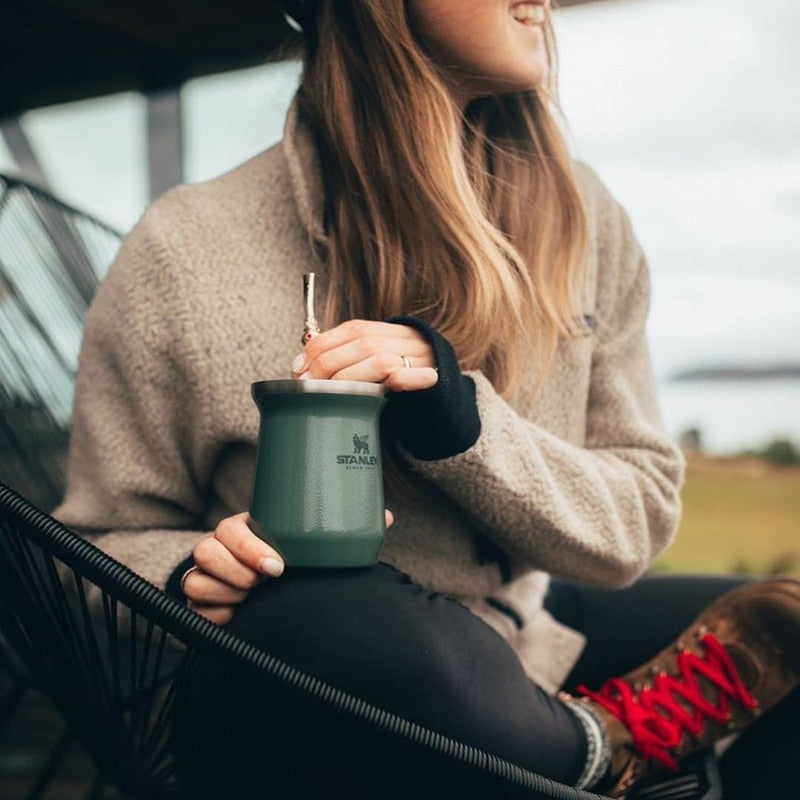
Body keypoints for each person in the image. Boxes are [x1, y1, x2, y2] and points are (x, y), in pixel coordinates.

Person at [54, 1, 800, 797]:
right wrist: (188, 573)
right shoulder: (186, 248)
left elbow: (637, 525)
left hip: (528, 630)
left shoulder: (585, 220)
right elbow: (87, 552)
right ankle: (589, 753)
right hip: (304, 693)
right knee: (321, 596)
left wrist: (464, 425)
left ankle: (565, 745)